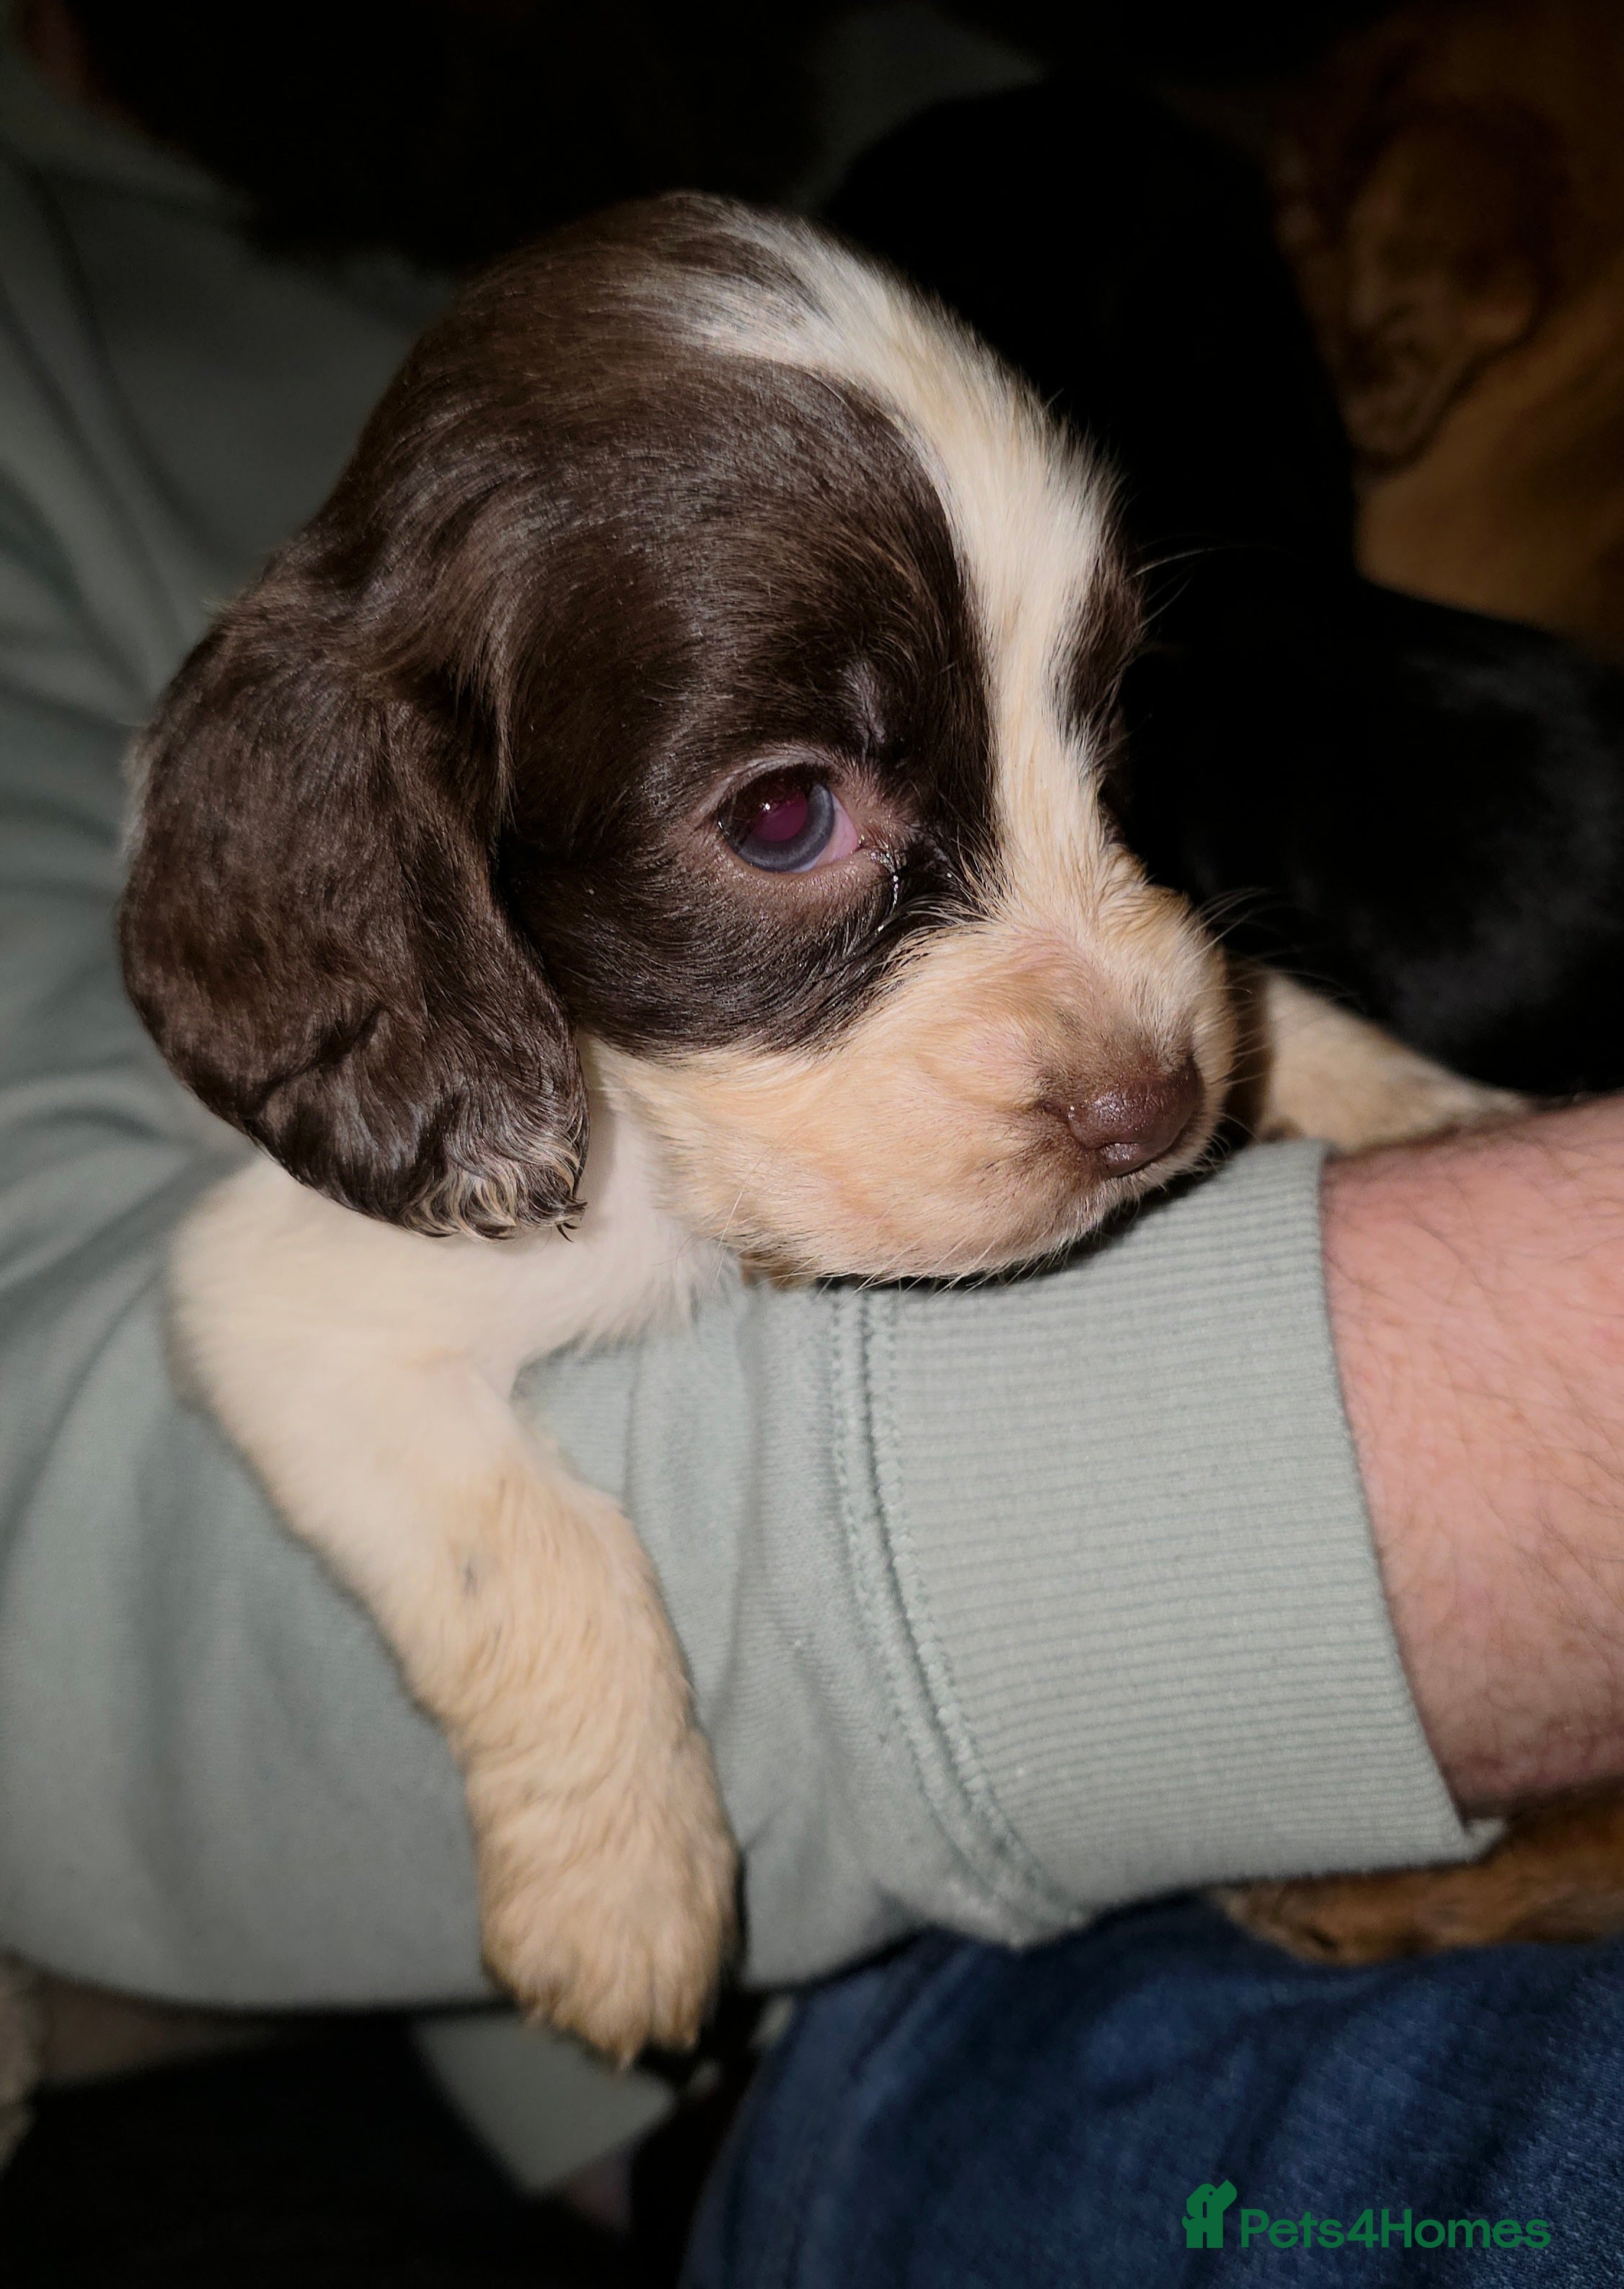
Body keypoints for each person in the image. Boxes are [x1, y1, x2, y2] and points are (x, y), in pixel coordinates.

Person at [2, 5, 1623, 2279]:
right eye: (787, 814)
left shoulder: (874, 114)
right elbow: (226, 1357)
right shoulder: (117, 444)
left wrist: (1402, 1109)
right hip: (874, 1993)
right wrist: (574, 1730)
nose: (1138, 1046)